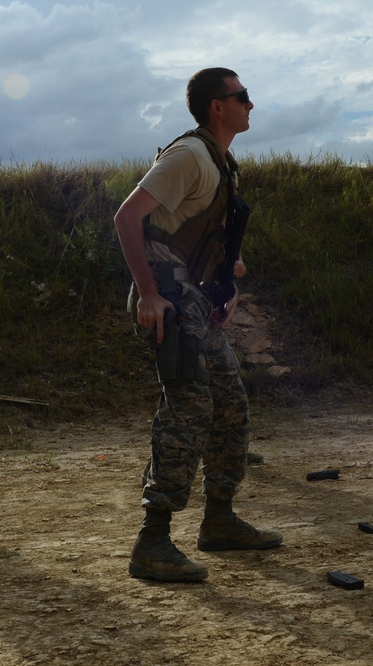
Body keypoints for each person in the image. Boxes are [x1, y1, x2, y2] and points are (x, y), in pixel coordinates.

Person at [114, 67, 282, 582]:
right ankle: (153, 540)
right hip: (166, 295)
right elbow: (127, 218)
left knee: (229, 402)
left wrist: (226, 280)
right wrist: (147, 292)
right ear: (218, 105)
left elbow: (200, 236)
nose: (251, 105)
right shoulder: (188, 156)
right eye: (243, 97)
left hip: (192, 296)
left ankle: (219, 520)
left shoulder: (223, 163)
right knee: (189, 405)